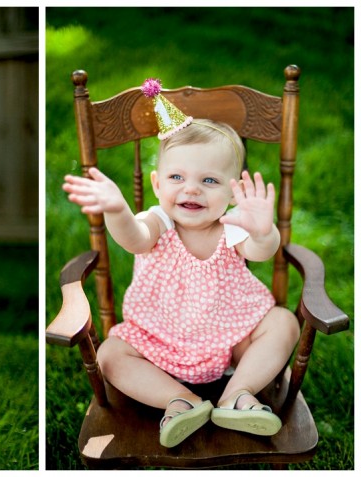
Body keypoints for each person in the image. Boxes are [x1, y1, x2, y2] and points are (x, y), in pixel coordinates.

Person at [61, 78, 300, 448]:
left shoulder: (230, 224)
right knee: (109, 354)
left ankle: (237, 395)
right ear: (157, 184)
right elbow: (132, 237)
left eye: (209, 180)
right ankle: (181, 402)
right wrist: (117, 209)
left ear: (233, 189)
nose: (191, 189)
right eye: (177, 177)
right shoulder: (158, 221)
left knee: (284, 323)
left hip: (232, 335)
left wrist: (264, 230)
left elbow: (261, 251)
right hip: (159, 340)